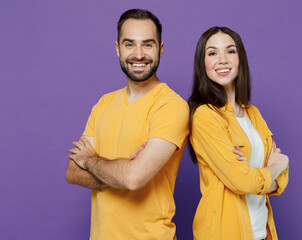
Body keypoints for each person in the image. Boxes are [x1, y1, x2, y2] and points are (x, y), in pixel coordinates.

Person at [65, 9, 189, 240]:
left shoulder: (172, 106)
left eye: (148, 45)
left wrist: (90, 160)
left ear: (160, 49)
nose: (139, 54)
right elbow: (72, 172)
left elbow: (133, 179)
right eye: (130, 44)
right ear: (117, 49)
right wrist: (121, 172)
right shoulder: (104, 103)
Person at [188, 26, 289, 240]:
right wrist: (275, 165)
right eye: (212, 53)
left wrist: (257, 174)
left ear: (240, 59)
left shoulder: (253, 114)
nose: (222, 59)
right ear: (202, 63)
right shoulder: (205, 116)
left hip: (262, 233)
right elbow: (243, 182)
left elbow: (281, 179)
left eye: (230, 51)